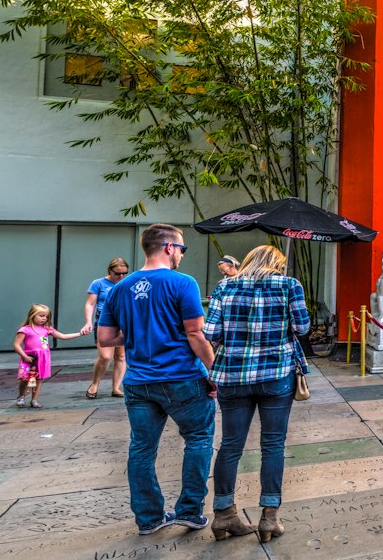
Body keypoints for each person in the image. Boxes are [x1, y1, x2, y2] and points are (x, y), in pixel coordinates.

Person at [97, 223, 216, 535]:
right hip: (183, 377)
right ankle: (189, 511)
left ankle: (149, 518)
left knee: (141, 448)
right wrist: (216, 371)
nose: (181, 255)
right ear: (168, 248)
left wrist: (140, 331)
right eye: (181, 249)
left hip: (137, 381)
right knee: (199, 438)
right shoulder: (183, 283)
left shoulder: (120, 288)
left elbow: (106, 338)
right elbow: (195, 333)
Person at [206, 244, 310, 542]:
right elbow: (302, 327)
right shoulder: (289, 285)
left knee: (230, 445)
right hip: (276, 373)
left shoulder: (225, 286)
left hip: (233, 374)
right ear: (277, 263)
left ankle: (223, 514)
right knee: (273, 444)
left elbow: (211, 332)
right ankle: (269, 517)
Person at [13, 304, 82, 408]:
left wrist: (80, 333)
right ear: (32, 315)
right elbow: (16, 345)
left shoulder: (47, 329)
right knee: (24, 378)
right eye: (41, 315)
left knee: (39, 379)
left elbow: (63, 336)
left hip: (42, 358)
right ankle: (21, 396)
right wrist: (24, 356)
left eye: (46, 316)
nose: (44, 318)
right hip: (29, 357)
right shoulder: (25, 329)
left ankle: (34, 400)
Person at [83, 256, 130, 399]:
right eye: (117, 273)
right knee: (105, 356)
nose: (121, 276)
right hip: (104, 323)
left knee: (121, 356)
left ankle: (116, 387)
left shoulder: (127, 284)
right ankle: (95, 383)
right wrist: (88, 322)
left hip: (123, 322)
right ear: (110, 271)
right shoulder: (98, 283)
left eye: (124, 273)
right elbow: (90, 303)